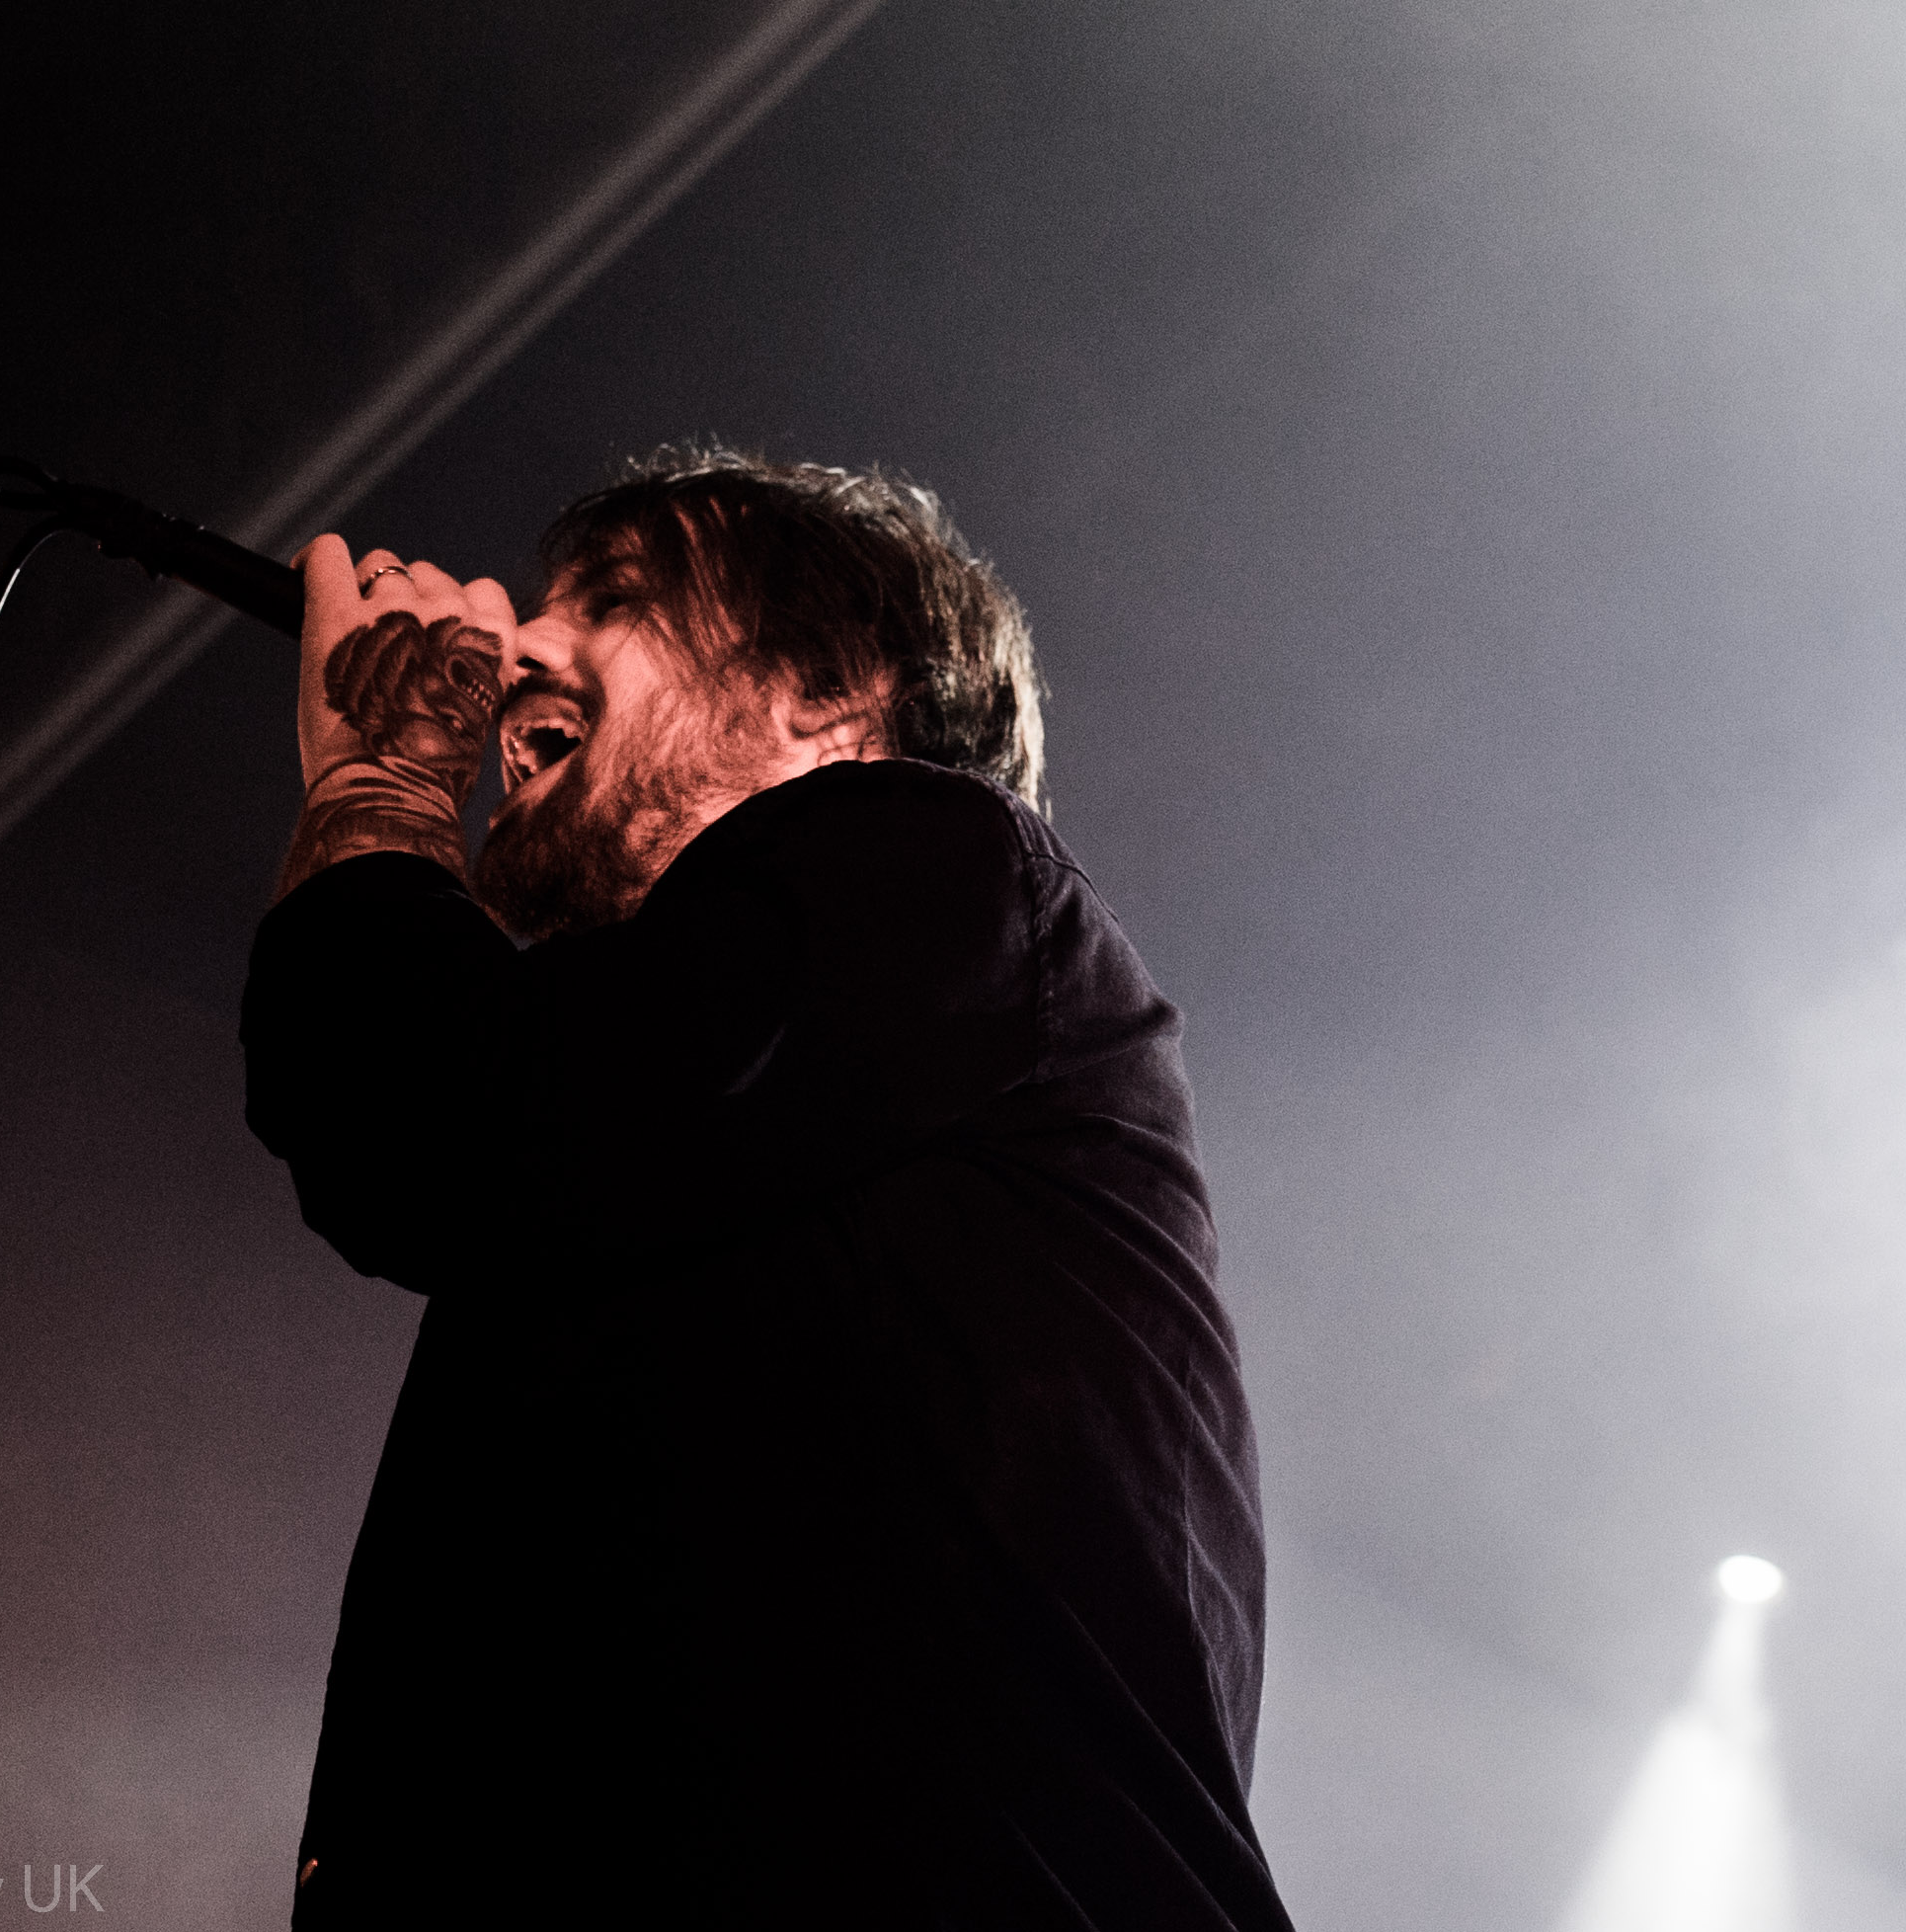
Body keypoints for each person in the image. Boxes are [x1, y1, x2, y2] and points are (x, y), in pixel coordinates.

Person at [244, 449, 1293, 1929]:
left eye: (615, 601)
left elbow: (430, 1118)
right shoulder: (663, 1118)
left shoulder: (929, 852)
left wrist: (384, 779)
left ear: (826, 695)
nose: (523, 643)